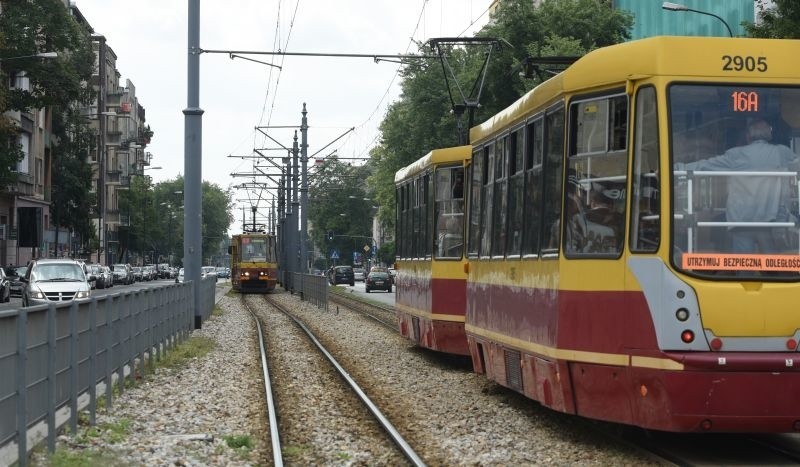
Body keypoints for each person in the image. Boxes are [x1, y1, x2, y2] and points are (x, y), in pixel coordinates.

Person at [675, 118, 797, 254]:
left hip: (741, 220)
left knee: (743, 263)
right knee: (772, 261)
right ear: (769, 134)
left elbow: (705, 165)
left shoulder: (736, 155)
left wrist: (676, 169)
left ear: (748, 135)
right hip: (768, 220)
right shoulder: (781, 153)